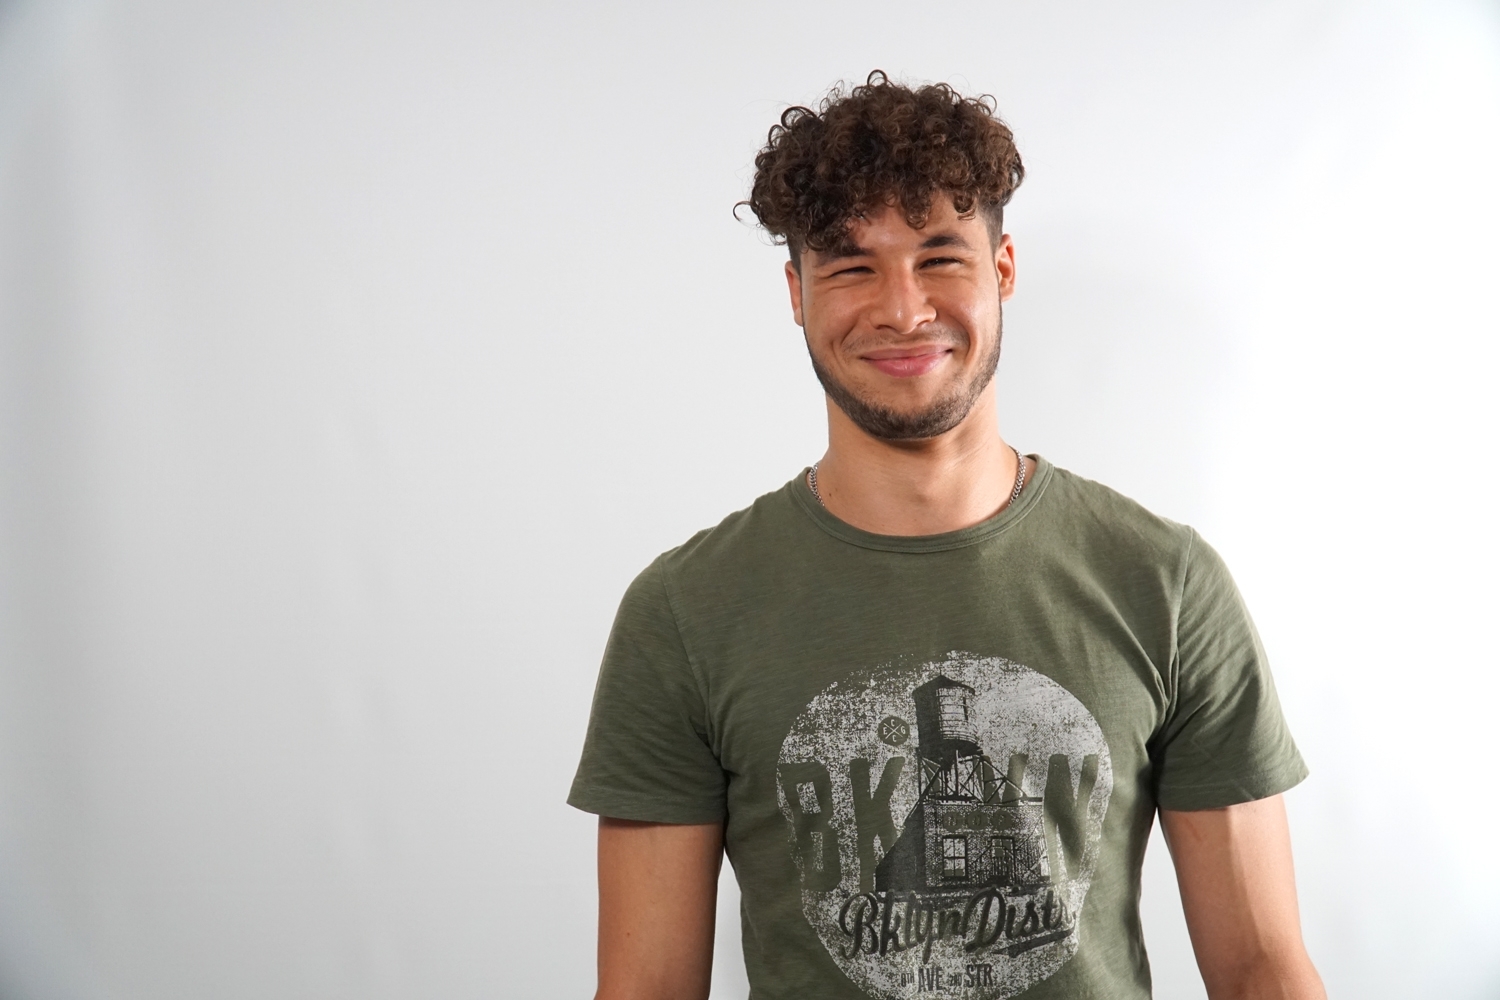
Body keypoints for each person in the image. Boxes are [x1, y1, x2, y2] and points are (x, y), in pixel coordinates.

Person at [568, 70, 1325, 1000]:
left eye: (940, 258)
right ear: (797, 292)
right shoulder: (685, 612)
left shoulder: (1165, 584)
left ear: (1002, 270)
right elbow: (645, 987)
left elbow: (1260, 968)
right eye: (851, 266)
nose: (903, 309)